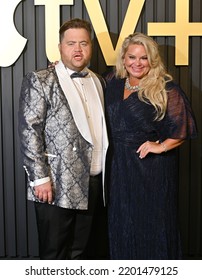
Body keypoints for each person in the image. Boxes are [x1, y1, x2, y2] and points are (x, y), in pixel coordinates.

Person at [18, 18, 108, 260]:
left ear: (91, 47)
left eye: (83, 43)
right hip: (55, 183)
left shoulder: (99, 81)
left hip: (94, 182)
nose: (77, 49)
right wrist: (40, 179)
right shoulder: (40, 79)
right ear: (60, 47)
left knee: (82, 252)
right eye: (71, 43)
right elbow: (29, 130)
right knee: (55, 254)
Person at [104, 32, 197, 260]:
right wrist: (59, 69)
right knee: (122, 222)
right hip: (117, 167)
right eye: (132, 57)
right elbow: (85, 85)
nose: (137, 63)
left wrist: (161, 146)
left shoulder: (165, 88)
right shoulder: (112, 81)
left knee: (153, 224)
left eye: (143, 58)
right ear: (123, 59)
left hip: (151, 170)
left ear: (152, 60)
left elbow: (183, 127)